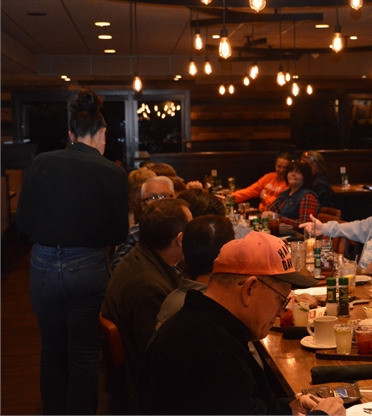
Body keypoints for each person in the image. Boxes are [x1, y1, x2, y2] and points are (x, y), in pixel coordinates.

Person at [136, 231, 345, 415]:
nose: (282, 313)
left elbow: (244, 405)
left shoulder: (204, 324)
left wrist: (286, 409)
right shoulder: (211, 353)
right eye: (282, 300)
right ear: (249, 289)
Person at [16, 90, 129, 414]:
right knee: (84, 355)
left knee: (51, 351)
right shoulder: (113, 172)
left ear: (70, 134)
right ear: (102, 133)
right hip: (87, 266)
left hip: (43, 265)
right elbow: (118, 234)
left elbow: (23, 222)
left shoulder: (41, 162)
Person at [101, 199, 192, 411]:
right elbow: (161, 359)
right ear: (181, 239)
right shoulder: (149, 288)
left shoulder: (140, 258)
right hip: (147, 395)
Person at [111, 175, 175, 270]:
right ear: (143, 206)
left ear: (174, 199)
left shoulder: (183, 228)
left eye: (164, 196)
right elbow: (119, 270)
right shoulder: (135, 235)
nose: (159, 201)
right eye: (152, 197)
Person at [263, 160, 319, 230]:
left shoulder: (308, 196)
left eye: (298, 172)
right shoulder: (285, 193)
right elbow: (270, 208)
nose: (293, 174)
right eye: (291, 171)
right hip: (281, 232)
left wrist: (279, 218)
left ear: (305, 177)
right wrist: (267, 213)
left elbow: (305, 224)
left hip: (297, 235)